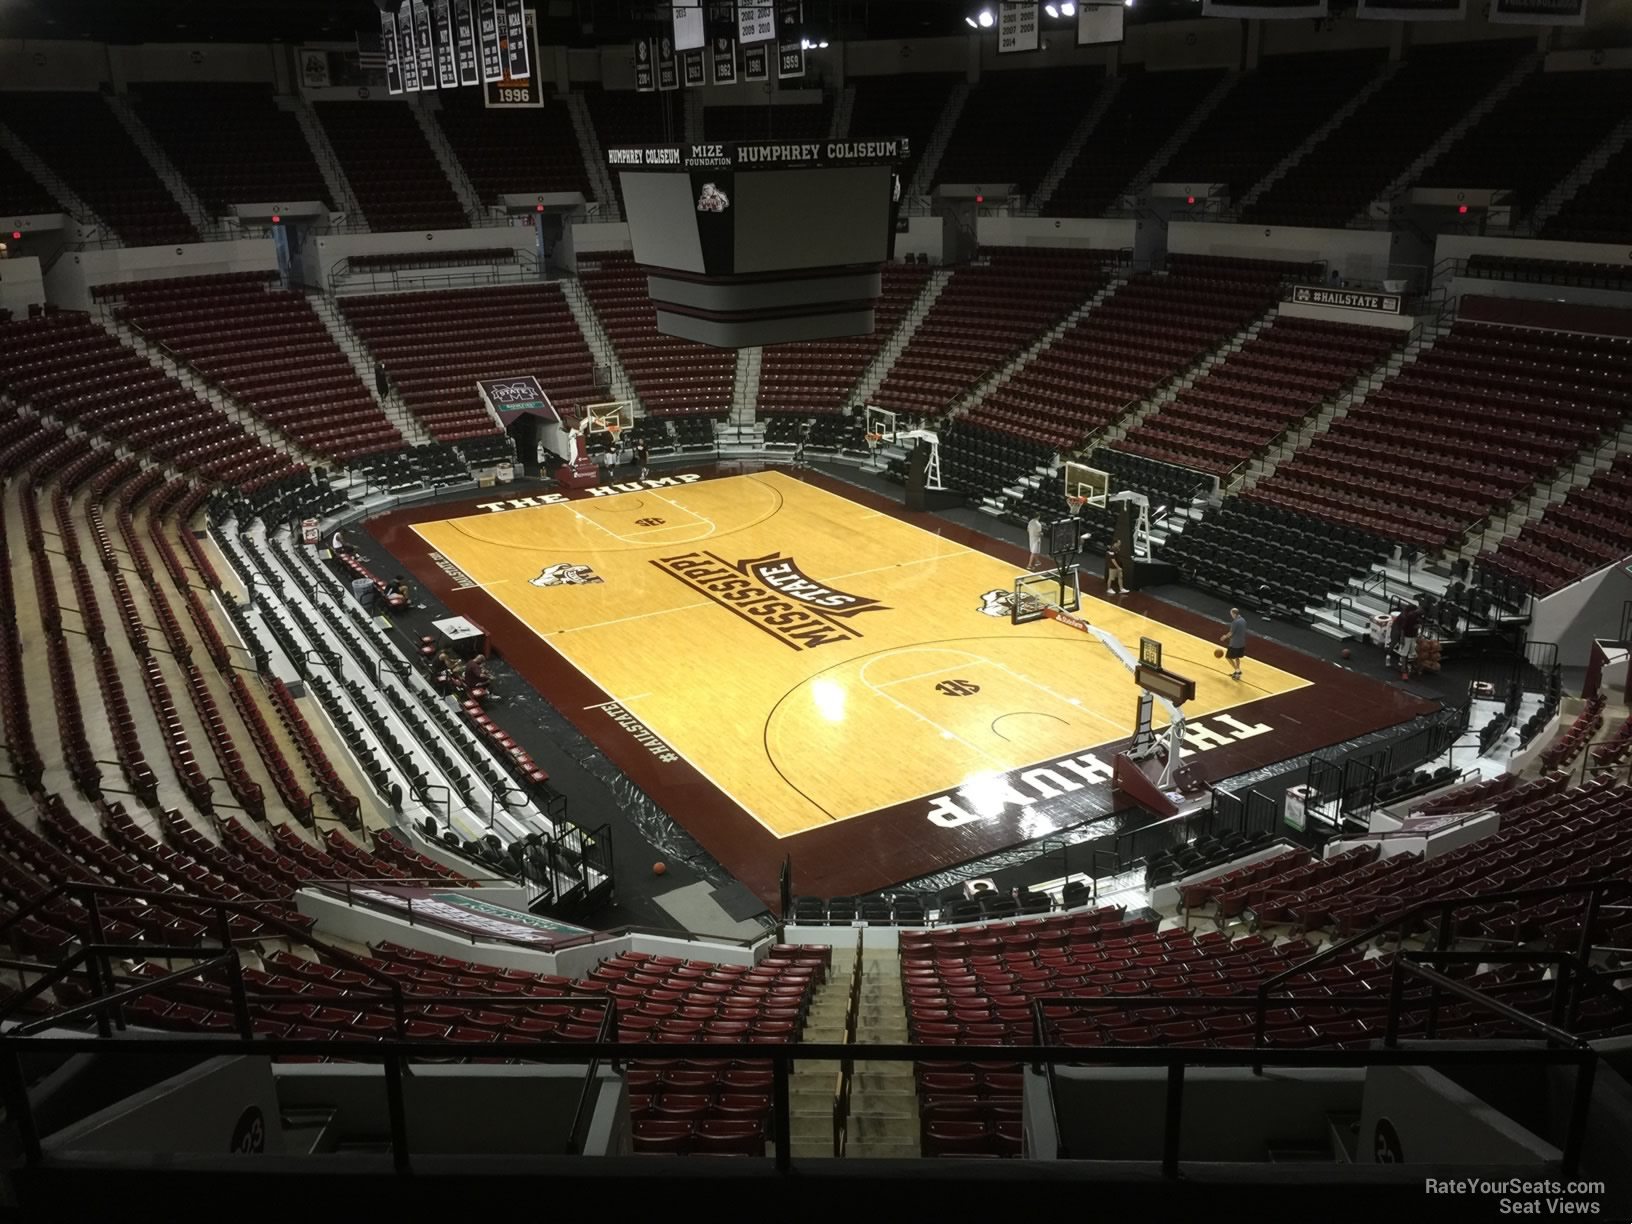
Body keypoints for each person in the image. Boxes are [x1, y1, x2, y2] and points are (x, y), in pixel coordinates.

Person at [1391, 602, 1422, 681]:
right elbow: (1403, 628)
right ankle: (1404, 671)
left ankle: (1412, 667)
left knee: (1413, 653)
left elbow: (1417, 626)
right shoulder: (1409, 616)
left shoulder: (1419, 616)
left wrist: (1417, 632)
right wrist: (1402, 638)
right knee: (1404, 653)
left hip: (1413, 637)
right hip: (1407, 637)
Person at [1219, 607, 1247, 681]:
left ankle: (1238, 671)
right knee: (1237, 657)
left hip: (1234, 644)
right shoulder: (1243, 620)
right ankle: (1237, 672)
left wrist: (1224, 637)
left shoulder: (1235, 622)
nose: (1231, 616)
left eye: (1231, 614)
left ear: (1234, 614)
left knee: (1228, 657)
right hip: (1241, 643)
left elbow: (1231, 633)